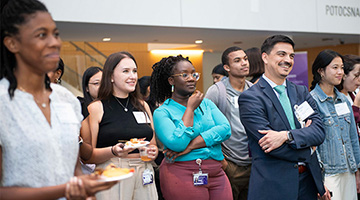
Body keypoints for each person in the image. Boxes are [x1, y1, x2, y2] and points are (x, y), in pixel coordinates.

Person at [0, 0, 118, 199]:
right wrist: (66, 190)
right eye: (41, 35)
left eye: (55, 34)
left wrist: (85, 191)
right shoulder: (4, 102)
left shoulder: (67, 100)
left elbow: (74, 172)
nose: (54, 42)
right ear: (12, 43)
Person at [238, 35, 330, 200]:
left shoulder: (301, 92)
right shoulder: (251, 98)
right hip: (274, 186)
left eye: (291, 56)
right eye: (281, 54)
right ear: (265, 57)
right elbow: (269, 145)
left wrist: (286, 136)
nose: (288, 60)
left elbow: (319, 131)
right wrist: (309, 148)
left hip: (309, 183)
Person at [150, 55, 232, 200]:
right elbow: (177, 144)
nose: (192, 78)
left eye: (194, 74)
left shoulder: (206, 104)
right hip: (182, 173)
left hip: (216, 171)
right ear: (171, 81)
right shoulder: (162, 112)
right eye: (184, 75)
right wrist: (189, 109)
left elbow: (225, 129)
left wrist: (191, 146)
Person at [87, 51, 159, 200]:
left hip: (144, 171)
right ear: (111, 76)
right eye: (125, 71)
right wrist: (113, 151)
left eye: (134, 71)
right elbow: (88, 156)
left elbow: (152, 145)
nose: (132, 76)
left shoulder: (142, 105)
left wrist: (153, 152)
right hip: (113, 170)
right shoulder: (97, 107)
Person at [310, 49, 360, 200]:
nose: (340, 72)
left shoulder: (344, 100)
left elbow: (353, 137)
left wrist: (357, 169)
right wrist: (318, 179)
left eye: (342, 68)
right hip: (329, 173)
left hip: (349, 170)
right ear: (321, 71)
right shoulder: (311, 100)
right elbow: (312, 145)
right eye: (335, 67)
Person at [205, 46, 252, 200]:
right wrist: (223, 162)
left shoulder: (254, 90)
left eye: (245, 59)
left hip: (254, 163)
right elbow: (205, 126)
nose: (244, 63)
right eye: (237, 61)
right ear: (227, 67)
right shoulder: (217, 91)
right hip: (230, 163)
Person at [335, 55, 360, 132]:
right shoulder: (335, 98)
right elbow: (346, 127)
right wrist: (356, 104)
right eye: (356, 75)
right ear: (344, 75)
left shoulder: (353, 94)